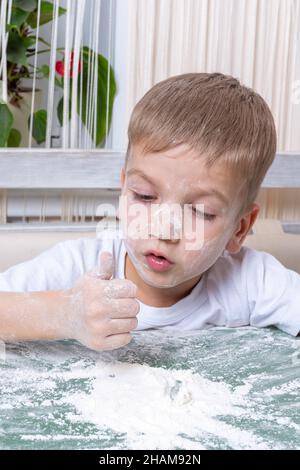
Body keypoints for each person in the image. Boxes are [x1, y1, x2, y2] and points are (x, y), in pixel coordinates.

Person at [0, 73, 299, 352]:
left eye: (201, 211)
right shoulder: (76, 265)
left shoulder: (251, 281)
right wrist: (65, 313)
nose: (163, 229)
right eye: (143, 195)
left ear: (239, 229)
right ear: (123, 188)